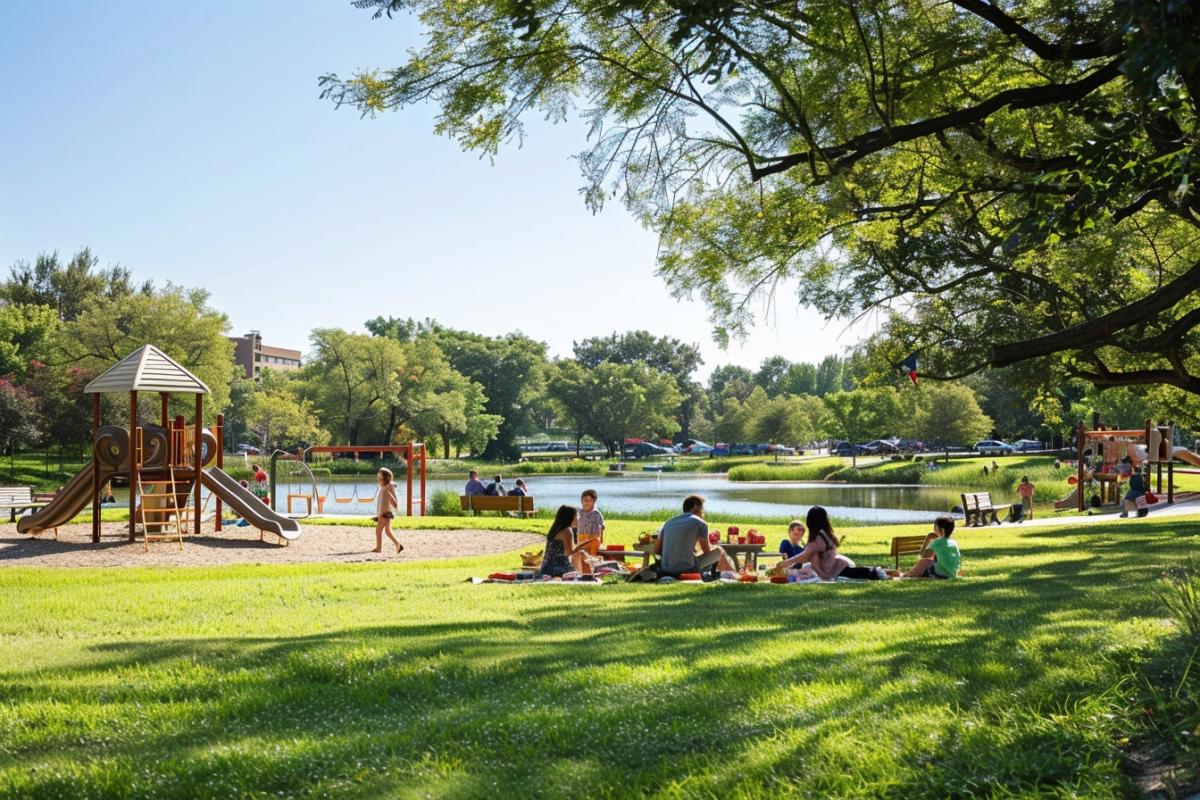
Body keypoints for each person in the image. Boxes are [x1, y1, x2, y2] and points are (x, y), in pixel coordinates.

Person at [778, 506, 888, 580]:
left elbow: (804, 556)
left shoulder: (818, 538)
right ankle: (878, 572)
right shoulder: (826, 533)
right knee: (857, 572)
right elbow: (809, 557)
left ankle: (877, 573)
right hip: (836, 565)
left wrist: (784, 563)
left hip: (833, 569)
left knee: (861, 573)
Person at [654, 495, 733, 576]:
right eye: (702, 509)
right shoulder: (699, 522)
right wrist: (714, 547)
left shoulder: (668, 523)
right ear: (695, 507)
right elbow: (707, 552)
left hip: (666, 569)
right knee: (719, 550)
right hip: (687, 568)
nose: (703, 512)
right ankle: (729, 576)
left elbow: (656, 550)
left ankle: (726, 574)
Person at [539, 505, 596, 577]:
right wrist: (582, 547)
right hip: (557, 568)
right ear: (570, 517)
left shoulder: (557, 529)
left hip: (546, 567)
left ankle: (583, 573)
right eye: (577, 516)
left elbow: (570, 549)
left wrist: (581, 546)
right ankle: (582, 575)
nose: (578, 518)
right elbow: (569, 552)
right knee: (579, 555)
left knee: (580, 553)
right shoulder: (567, 531)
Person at [372, 468, 404, 554]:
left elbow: (395, 504)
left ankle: (378, 548)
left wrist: (389, 493)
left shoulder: (389, 488)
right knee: (387, 531)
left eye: (380, 476)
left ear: (385, 477)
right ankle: (398, 545)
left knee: (378, 530)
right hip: (382, 513)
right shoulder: (383, 487)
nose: (378, 478)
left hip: (385, 514)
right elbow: (381, 503)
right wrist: (377, 515)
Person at [576, 489, 605, 556]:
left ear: (594, 502)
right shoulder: (579, 512)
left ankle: (592, 559)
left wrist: (582, 545)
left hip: (592, 540)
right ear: (581, 501)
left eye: (590, 501)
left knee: (594, 542)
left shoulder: (595, 513)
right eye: (585, 500)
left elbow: (597, 534)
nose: (587, 503)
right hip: (580, 540)